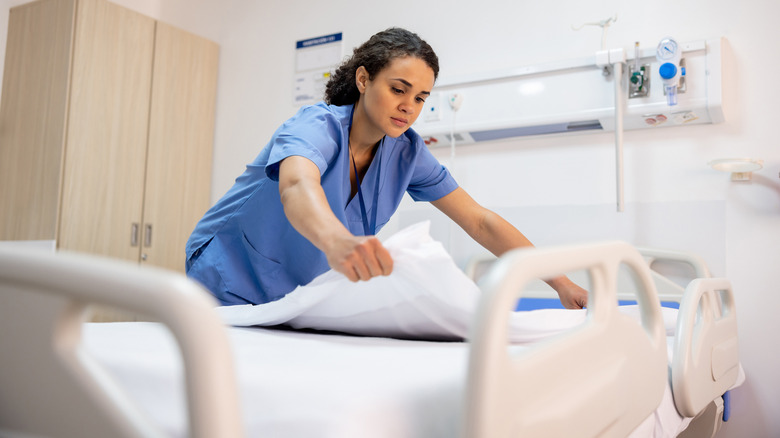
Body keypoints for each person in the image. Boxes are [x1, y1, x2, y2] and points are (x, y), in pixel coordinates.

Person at [185, 27, 587, 309]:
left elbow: (479, 221)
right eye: (398, 89)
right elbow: (295, 184)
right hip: (228, 277)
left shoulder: (407, 153)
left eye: (420, 97)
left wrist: (559, 280)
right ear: (363, 79)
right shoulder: (317, 126)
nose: (408, 106)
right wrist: (339, 241)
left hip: (294, 294)